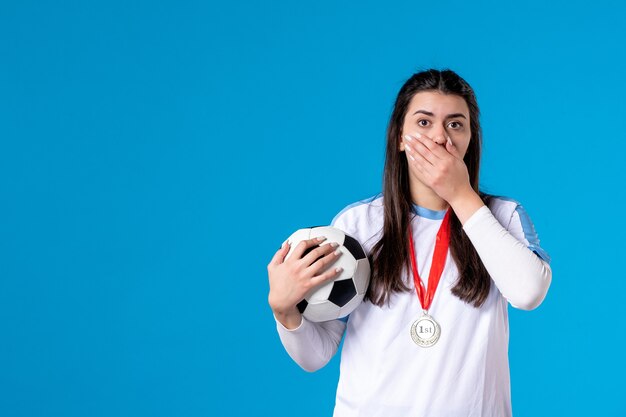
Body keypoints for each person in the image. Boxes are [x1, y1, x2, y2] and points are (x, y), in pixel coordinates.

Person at [266, 68, 552, 417]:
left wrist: (460, 194)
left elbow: (529, 293)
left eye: (455, 124)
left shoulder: (502, 216)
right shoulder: (357, 225)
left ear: (469, 140)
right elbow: (315, 356)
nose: (439, 138)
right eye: (424, 122)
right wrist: (285, 311)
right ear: (399, 137)